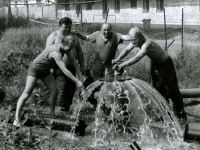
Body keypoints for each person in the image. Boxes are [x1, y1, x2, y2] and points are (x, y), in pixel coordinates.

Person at [112, 27, 187, 123]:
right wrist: (117, 59)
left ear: (140, 37)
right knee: (158, 90)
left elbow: (137, 57)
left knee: (171, 90)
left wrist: (122, 65)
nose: (132, 43)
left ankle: (181, 115)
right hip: (155, 64)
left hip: (165, 64)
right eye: (131, 40)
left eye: (133, 40)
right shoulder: (136, 39)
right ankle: (164, 113)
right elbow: (127, 49)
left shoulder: (147, 43)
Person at [13, 35, 86, 127]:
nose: (70, 50)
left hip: (45, 71)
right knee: (27, 93)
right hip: (35, 69)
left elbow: (73, 61)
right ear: (63, 44)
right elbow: (64, 70)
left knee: (54, 91)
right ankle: (16, 119)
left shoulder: (65, 47)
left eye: (71, 48)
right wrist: (77, 81)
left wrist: (80, 75)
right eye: (69, 48)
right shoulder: (56, 53)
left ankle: (52, 114)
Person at [46, 17, 85, 111]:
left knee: (71, 89)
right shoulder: (54, 36)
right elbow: (47, 52)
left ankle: (66, 107)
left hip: (72, 66)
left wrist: (82, 65)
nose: (68, 29)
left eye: (69, 27)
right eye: (65, 27)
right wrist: (50, 68)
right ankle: (61, 108)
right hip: (58, 68)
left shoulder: (74, 36)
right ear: (60, 26)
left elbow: (79, 52)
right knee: (63, 88)